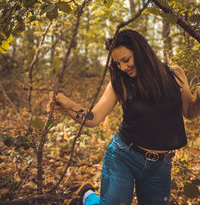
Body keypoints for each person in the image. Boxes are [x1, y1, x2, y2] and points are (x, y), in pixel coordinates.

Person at [47, 29, 200, 205]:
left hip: (160, 165)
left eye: (126, 60)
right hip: (124, 156)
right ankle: (87, 196)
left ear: (141, 52)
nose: (122, 67)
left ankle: (86, 195)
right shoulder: (119, 83)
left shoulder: (174, 75)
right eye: (117, 63)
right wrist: (68, 106)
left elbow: (190, 112)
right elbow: (94, 117)